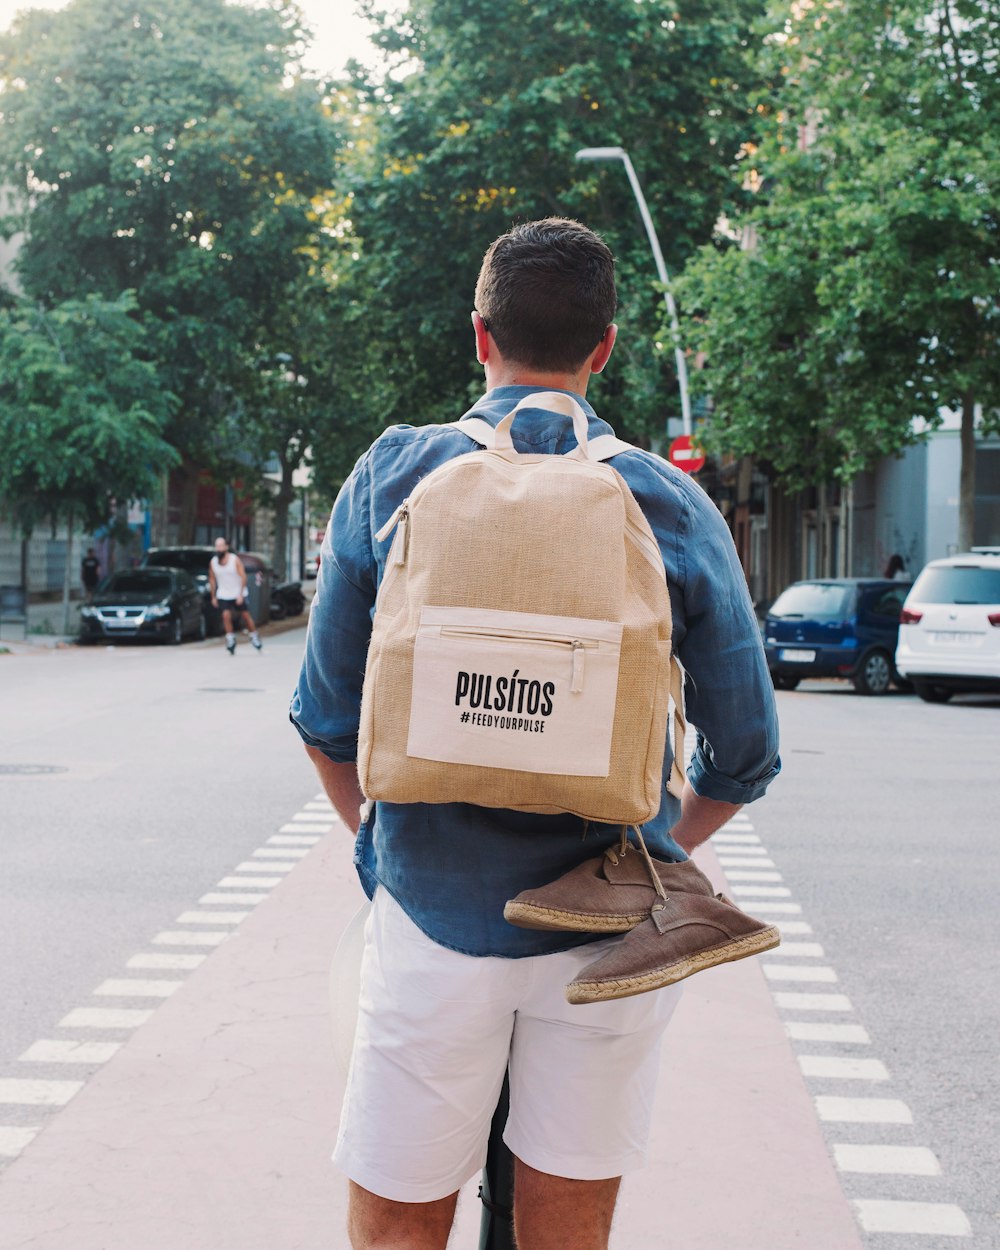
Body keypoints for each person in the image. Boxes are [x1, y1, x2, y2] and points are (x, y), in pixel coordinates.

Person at [290, 218, 780, 1250]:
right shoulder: (667, 500)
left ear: (479, 336)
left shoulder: (392, 474)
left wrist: (374, 845)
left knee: (396, 1223)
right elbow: (745, 751)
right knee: (567, 1228)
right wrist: (649, 855)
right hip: (601, 941)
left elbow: (326, 718)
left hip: (429, 912)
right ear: (603, 347)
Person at [209, 537, 262, 654]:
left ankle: (254, 636)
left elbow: (243, 576)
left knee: (245, 615)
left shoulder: (234, 560)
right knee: (225, 615)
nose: (219, 548)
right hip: (223, 593)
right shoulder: (213, 562)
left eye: (221, 545)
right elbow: (212, 579)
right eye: (217, 546)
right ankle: (230, 639)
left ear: (226, 547)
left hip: (238, 592)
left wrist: (240, 595)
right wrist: (213, 596)